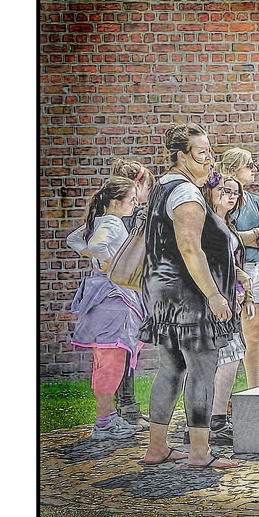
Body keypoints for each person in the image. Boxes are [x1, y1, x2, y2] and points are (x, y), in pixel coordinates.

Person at [140, 122, 240, 468]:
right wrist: (214, 294)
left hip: (162, 293)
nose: (209, 160)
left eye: (210, 152)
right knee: (201, 369)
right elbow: (189, 247)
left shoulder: (162, 186)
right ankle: (200, 452)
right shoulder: (185, 193)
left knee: (170, 368)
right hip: (189, 297)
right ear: (181, 156)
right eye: (201, 154)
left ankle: (156, 448)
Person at [66, 175, 141, 439]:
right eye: (130, 199)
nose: (134, 203)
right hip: (114, 299)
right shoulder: (112, 221)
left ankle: (107, 418)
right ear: (116, 202)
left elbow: (74, 241)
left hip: (102, 297)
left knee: (105, 360)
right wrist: (110, 262)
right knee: (112, 359)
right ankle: (104, 423)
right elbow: (97, 245)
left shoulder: (97, 221)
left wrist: (95, 259)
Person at [200, 170, 255, 446]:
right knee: (226, 357)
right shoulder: (207, 222)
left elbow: (228, 263)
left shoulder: (225, 223)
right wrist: (227, 291)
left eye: (235, 192)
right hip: (213, 299)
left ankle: (213, 419)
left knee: (230, 355)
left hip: (228, 296)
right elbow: (209, 262)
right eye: (224, 191)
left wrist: (243, 288)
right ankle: (213, 421)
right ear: (211, 192)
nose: (231, 196)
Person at [219, 147, 259, 389]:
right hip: (235, 269)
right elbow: (225, 237)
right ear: (233, 170)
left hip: (258, 268)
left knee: (254, 334)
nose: (254, 170)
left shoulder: (256, 201)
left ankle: (254, 389)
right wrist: (252, 235)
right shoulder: (224, 199)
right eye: (249, 165)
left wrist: (243, 236)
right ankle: (225, 395)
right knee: (231, 334)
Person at [108, 158, 155, 427]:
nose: (147, 194)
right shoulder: (132, 217)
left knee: (127, 353)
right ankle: (126, 410)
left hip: (124, 293)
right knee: (124, 353)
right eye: (147, 187)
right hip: (123, 295)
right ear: (137, 186)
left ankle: (126, 408)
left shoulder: (116, 215)